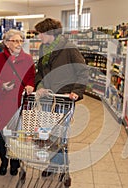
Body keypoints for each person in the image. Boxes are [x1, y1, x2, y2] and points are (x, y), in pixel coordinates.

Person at [34, 18, 89, 177]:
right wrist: (40, 85)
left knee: (61, 135)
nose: (39, 37)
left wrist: (77, 92)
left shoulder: (69, 48)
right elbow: (39, 71)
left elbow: (82, 71)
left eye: (40, 33)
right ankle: (53, 164)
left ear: (49, 33)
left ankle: (62, 165)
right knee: (48, 133)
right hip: (47, 98)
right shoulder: (43, 49)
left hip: (64, 97)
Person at [0, 29, 35, 176]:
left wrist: (30, 85)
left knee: (17, 135)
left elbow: (31, 77)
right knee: (2, 135)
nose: (19, 44)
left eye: (21, 41)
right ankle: (3, 162)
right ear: (7, 43)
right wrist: (2, 85)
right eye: (15, 41)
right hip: (1, 103)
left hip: (19, 104)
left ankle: (15, 163)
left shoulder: (27, 59)